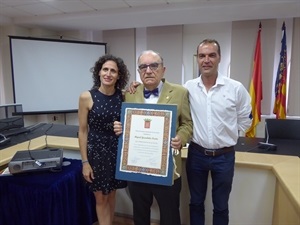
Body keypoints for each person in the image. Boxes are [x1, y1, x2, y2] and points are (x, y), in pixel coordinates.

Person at [114, 50, 193, 225]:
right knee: (140, 214)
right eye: (143, 66)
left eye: (153, 65)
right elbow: (124, 122)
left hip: (167, 169)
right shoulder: (129, 93)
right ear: (139, 71)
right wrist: (119, 127)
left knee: (170, 214)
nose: (148, 70)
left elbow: (187, 124)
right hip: (137, 168)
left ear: (163, 69)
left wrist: (181, 137)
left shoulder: (180, 92)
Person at [184, 39, 252, 225]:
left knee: (221, 206)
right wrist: (136, 86)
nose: (206, 60)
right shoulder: (188, 87)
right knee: (196, 202)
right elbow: (165, 95)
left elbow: (246, 118)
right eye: (202, 55)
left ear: (219, 58)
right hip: (196, 154)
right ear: (197, 59)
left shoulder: (235, 88)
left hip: (224, 156)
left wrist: (230, 133)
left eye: (211, 55)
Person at [78, 54, 130, 225]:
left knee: (112, 195)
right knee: (101, 199)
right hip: (96, 154)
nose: (108, 73)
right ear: (99, 72)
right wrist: (85, 162)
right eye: (105, 69)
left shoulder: (123, 96)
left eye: (113, 71)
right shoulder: (87, 96)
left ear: (119, 75)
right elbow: (83, 131)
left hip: (116, 152)